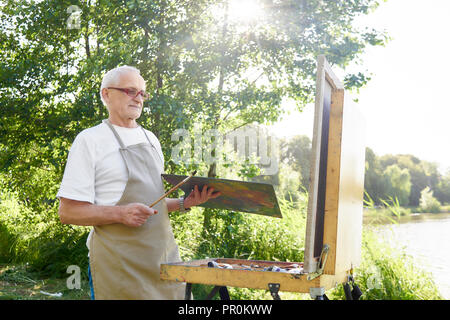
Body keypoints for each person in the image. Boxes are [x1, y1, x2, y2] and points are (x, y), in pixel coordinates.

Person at [56, 65, 220, 300]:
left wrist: (185, 203)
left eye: (142, 93)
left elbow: (150, 204)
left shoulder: (150, 138)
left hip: (163, 259)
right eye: (130, 91)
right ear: (106, 94)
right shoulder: (89, 140)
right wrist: (120, 214)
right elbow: (68, 212)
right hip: (119, 264)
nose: (138, 98)